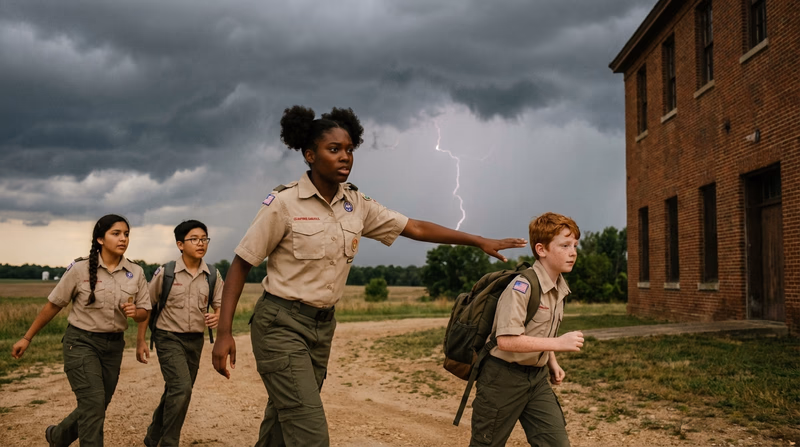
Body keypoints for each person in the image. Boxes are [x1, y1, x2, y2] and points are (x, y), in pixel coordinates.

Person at [211, 105, 528, 447]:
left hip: (321, 328)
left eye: (349, 150)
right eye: (334, 150)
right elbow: (242, 263)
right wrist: (224, 332)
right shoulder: (284, 203)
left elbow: (415, 227)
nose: (345, 157)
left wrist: (478, 240)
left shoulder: (356, 204)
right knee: (309, 432)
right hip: (280, 325)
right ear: (309, 155)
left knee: (283, 420)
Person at [11, 214, 151, 447]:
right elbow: (54, 304)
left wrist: (135, 313)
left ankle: (57, 437)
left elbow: (145, 312)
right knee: (94, 403)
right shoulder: (80, 269)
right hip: (81, 343)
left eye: (126, 234)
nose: (123, 239)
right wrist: (27, 337)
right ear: (100, 239)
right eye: (116, 233)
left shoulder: (135, 272)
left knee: (97, 403)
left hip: (114, 346)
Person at [469, 212, 585, 447]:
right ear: (541, 250)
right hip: (502, 378)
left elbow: (539, 329)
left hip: (537, 379)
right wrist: (558, 344)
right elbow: (507, 341)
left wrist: (551, 361)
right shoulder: (522, 286)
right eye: (564, 245)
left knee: (556, 444)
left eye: (575, 245)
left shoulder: (558, 286)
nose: (573, 252)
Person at [136, 220, 224, 447]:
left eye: (204, 238)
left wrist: (217, 316)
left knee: (177, 390)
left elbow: (220, 305)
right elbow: (147, 306)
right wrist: (141, 341)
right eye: (194, 239)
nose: (200, 243)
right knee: (182, 388)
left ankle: (153, 435)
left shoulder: (212, 274)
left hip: (195, 340)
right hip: (168, 337)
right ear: (180, 244)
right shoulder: (166, 273)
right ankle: (169, 441)